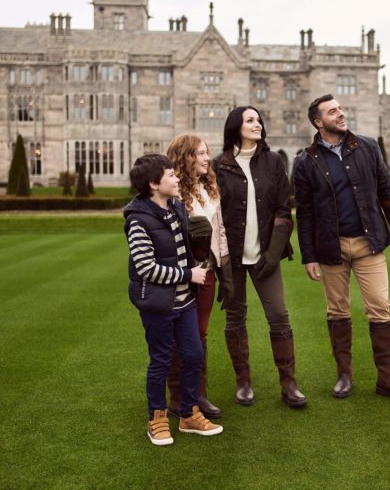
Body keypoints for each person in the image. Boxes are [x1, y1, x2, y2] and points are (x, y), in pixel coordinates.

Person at [292, 94, 390, 403]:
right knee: (337, 311)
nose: (340, 114)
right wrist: (308, 256)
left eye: (341, 109)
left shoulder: (367, 146)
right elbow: (304, 212)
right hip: (330, 248)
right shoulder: (306, 160)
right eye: (333, 111)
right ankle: (344, 376)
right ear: (319, 122)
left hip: (368, 242)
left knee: (379, 307)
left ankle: (388, 379)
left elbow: (386, 189)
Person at [123, 153, 223, 445]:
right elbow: (146, 268)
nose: (177, 178)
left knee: (193, 355)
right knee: (162, 361)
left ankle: (189, 414)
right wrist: (187, 275)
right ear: (154, 183)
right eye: (170, 175)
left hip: (184, 302)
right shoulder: (138, 220)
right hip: (158, 304)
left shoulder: (176, 207)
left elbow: (186, 251)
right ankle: (157, 418)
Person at [215, 106, 307, 408]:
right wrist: (220, 260)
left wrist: (273, 253)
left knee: (279, 316)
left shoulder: (273, 161)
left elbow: (284, 210)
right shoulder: (219, 166)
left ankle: (289, 384)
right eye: (250, 120)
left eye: (259, 120)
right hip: (233, 259)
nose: (258, 124)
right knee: (235, 318)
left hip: (266, 255)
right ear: (235, 127)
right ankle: (243, 382)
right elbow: (213, 216)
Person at [165, 135, 233, 420]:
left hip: (206, 273)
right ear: (185, 157)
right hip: (181, 275)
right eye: (201, 153)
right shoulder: (170, 192)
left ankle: (198, 394)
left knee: (200, 334)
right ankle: (178, 397)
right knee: (179, 337)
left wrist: (224, 271)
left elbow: (220, 233)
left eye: (207, 153)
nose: (207, 158)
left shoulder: (209, 190)